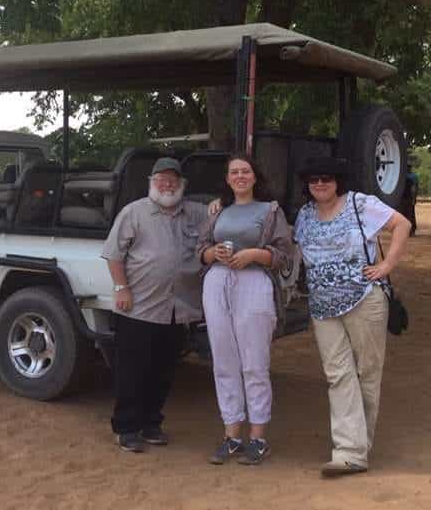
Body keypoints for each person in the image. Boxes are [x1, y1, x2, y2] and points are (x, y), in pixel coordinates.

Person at [293, 155, 411, 477]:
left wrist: (387, 267)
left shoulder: (360, 204)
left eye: (326, 178)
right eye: (314, 179)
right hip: (323, 308)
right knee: (337, 375)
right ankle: (349, 451)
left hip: (365, 300)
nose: (320, 183)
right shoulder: (304, 215)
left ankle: (359, 446)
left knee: (367, 372)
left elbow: (401, 224)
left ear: (338, 181)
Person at [102, 157, 209, 453]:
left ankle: (151, 424)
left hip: (178, 310)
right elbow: (114, 254)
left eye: (173, 179)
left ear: (182, 185)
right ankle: (126, 428)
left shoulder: (196, 213)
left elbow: (224, 214)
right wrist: (121, 288)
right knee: (131, 371)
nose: (167, 184)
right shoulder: (133, 212)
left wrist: (218, 206)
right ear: (151, 182)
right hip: (138, 308)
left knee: (163, 372)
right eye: (161, 179)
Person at [197, 153, 293, 466]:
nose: (240, 176)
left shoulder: (270, 210)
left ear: (254, 177)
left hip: (254, 283)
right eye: (234, 172)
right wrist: (213, 253)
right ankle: (232, 435)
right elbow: (200, 251)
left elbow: (284, 255)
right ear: (227, 179)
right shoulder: (217, 210)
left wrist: (255, 254)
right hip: (217, 283)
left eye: (246, 171)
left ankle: (258, 437)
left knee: (254, 363)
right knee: (224, 360)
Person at [400, 165, 418, 236]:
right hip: (409, 199)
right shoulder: (413, 177)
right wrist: (414, 198)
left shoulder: (401, 177)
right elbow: (414, 189)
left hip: (403, 199)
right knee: (410, 214)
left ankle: (406, 231)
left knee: (404, 214)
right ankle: (411, 231)